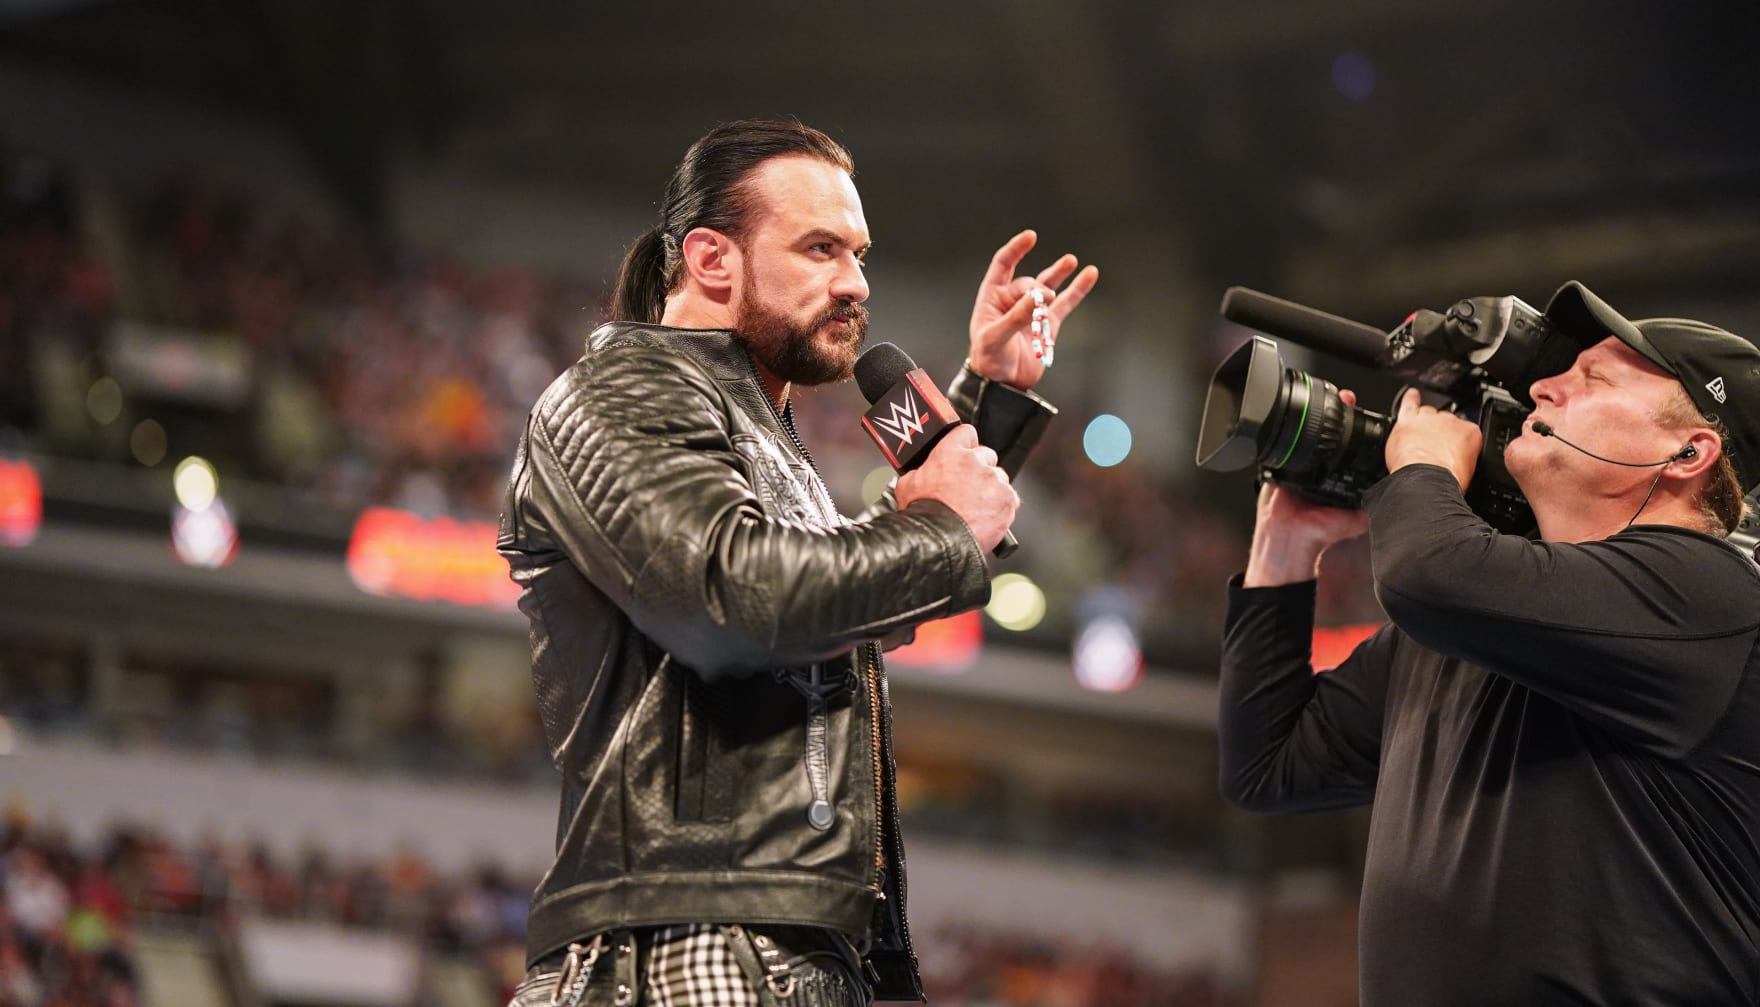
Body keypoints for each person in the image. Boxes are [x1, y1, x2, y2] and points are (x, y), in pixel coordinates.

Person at [497, 118, 1097, 1007]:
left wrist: (986, 400)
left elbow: (836, 596)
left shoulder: (756, 436)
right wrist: (939, 526)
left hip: (780, 944)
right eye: (820, 249)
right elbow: (735, 600)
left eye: (858, 254)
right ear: (711, 259)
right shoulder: (620, 390)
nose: (855, 283)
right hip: (686, 945)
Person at [1219, 280, 1760, 1005]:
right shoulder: (1482, 610)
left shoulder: (1713, 593)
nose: (1543, 385)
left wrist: (1424, 467)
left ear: (1689, 451)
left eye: (1591, 377)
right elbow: (1270, 764)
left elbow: (1426, 572)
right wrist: (1284, 552)